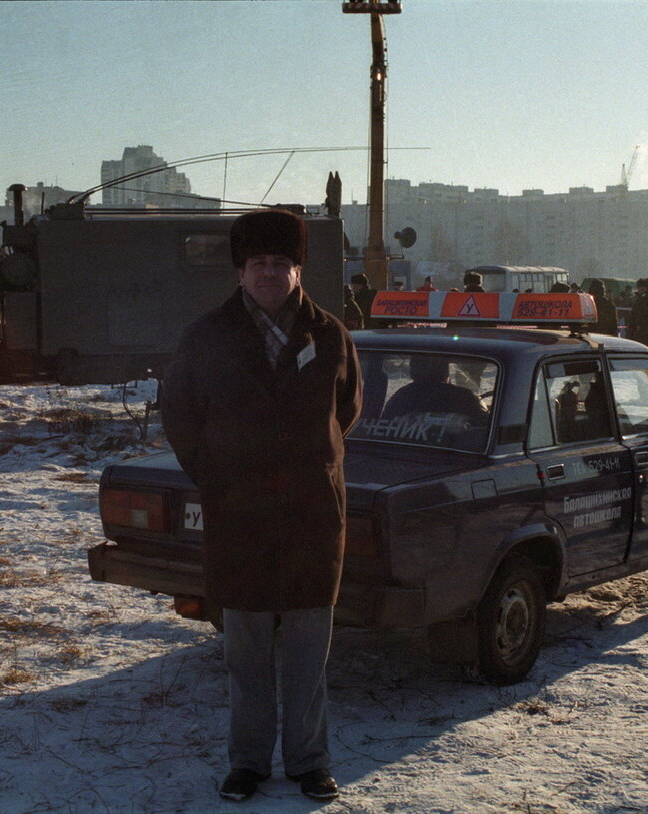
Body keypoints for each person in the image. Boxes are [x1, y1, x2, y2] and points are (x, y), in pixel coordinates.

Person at [161, 208, 362, 804]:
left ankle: (308, 761)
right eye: (258, 264)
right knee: (245, 654)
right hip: (240, 516)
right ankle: (246, 762)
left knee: (306, 653)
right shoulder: (206, 336)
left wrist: (311, 464)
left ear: (298, 270)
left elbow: (345, 410)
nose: (270, 273)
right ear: (241, 272)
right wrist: (220, 478)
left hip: (311, 518)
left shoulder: (329, 335)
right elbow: (181, 417)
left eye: (281, 263)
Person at [381, 354, 486, 426]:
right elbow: (483, 426)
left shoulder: (401, 397)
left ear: (413, 369)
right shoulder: (464, 398)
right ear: (443, 370)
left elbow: (385, 425)